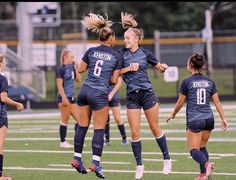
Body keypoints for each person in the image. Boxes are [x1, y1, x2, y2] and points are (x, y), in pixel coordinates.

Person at [119, 12, 172, 179]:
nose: (125, 40)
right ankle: (139, 165)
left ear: (136, 39)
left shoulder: (146, 54)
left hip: (147, 94)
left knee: (155, 128)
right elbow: (115, 74)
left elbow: (159, 67)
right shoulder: (121, 54)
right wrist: (129, 69)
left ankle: (167, 158)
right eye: (124, 38)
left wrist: (163, 67)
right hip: (132, 97)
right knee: (135, 133)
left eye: (128, 38)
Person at [70, 13, 121, 179]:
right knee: (99, 128)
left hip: (84, 91)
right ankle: (95, 163)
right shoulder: (116, 55)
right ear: (111, 38)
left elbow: (81, 69)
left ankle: (77, 158)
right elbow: (114, 80)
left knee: (82, 126)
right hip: (99, 93)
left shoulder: (91, 50)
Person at [166, 53, 228, 180]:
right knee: (202, 147)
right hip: (209, 119)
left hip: (195, 120)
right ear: (203, 66)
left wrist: (173, 114)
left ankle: (207, 165)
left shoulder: (187, 82)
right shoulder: (209, 81)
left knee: (194, 150)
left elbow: (180, 102)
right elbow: (217, 102)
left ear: (190, 66)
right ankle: (202, 174)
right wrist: (223, 118)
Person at [0, 53, 24, 180]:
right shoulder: (2, 79)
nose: (5, 65)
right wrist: (17, 104)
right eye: (4, 62)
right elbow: (3, 98)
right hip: (0, 115)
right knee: (0, 145)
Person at [56, 49, 81, 148]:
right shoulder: (61, 69)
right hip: (64, 98)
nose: (73, 59)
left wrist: (76, 68)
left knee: (80, 120)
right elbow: (59, 85)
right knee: (64, 119)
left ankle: (77, 141)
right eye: (71, 57)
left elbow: (78, 80)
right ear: (65, 57)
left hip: (72, 97)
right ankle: (63, 142)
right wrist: (64, 98)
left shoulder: (72, 68)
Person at [104, 76, 129, 146]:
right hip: (103, 94)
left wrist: (111, 94)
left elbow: (119, 82)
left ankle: (124, 138)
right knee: (105, 118)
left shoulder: (116, 66)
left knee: (118, 118)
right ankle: (107, 139)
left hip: (114, 95)